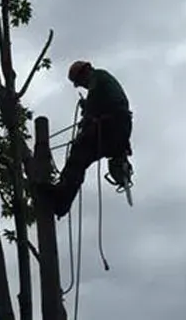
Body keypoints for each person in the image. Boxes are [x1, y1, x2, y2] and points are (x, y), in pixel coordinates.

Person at [39, 60, 134, 218]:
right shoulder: (102, 83)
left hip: (113, 126)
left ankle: (62, 198)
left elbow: (94, 101)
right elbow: (98, 103)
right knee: (80, 159)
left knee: (79, 154)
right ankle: (62, 200)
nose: (83, 85)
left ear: (86, 72)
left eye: (80, 82)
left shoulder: (98, 76)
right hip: (119, 129)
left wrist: (87, 117)